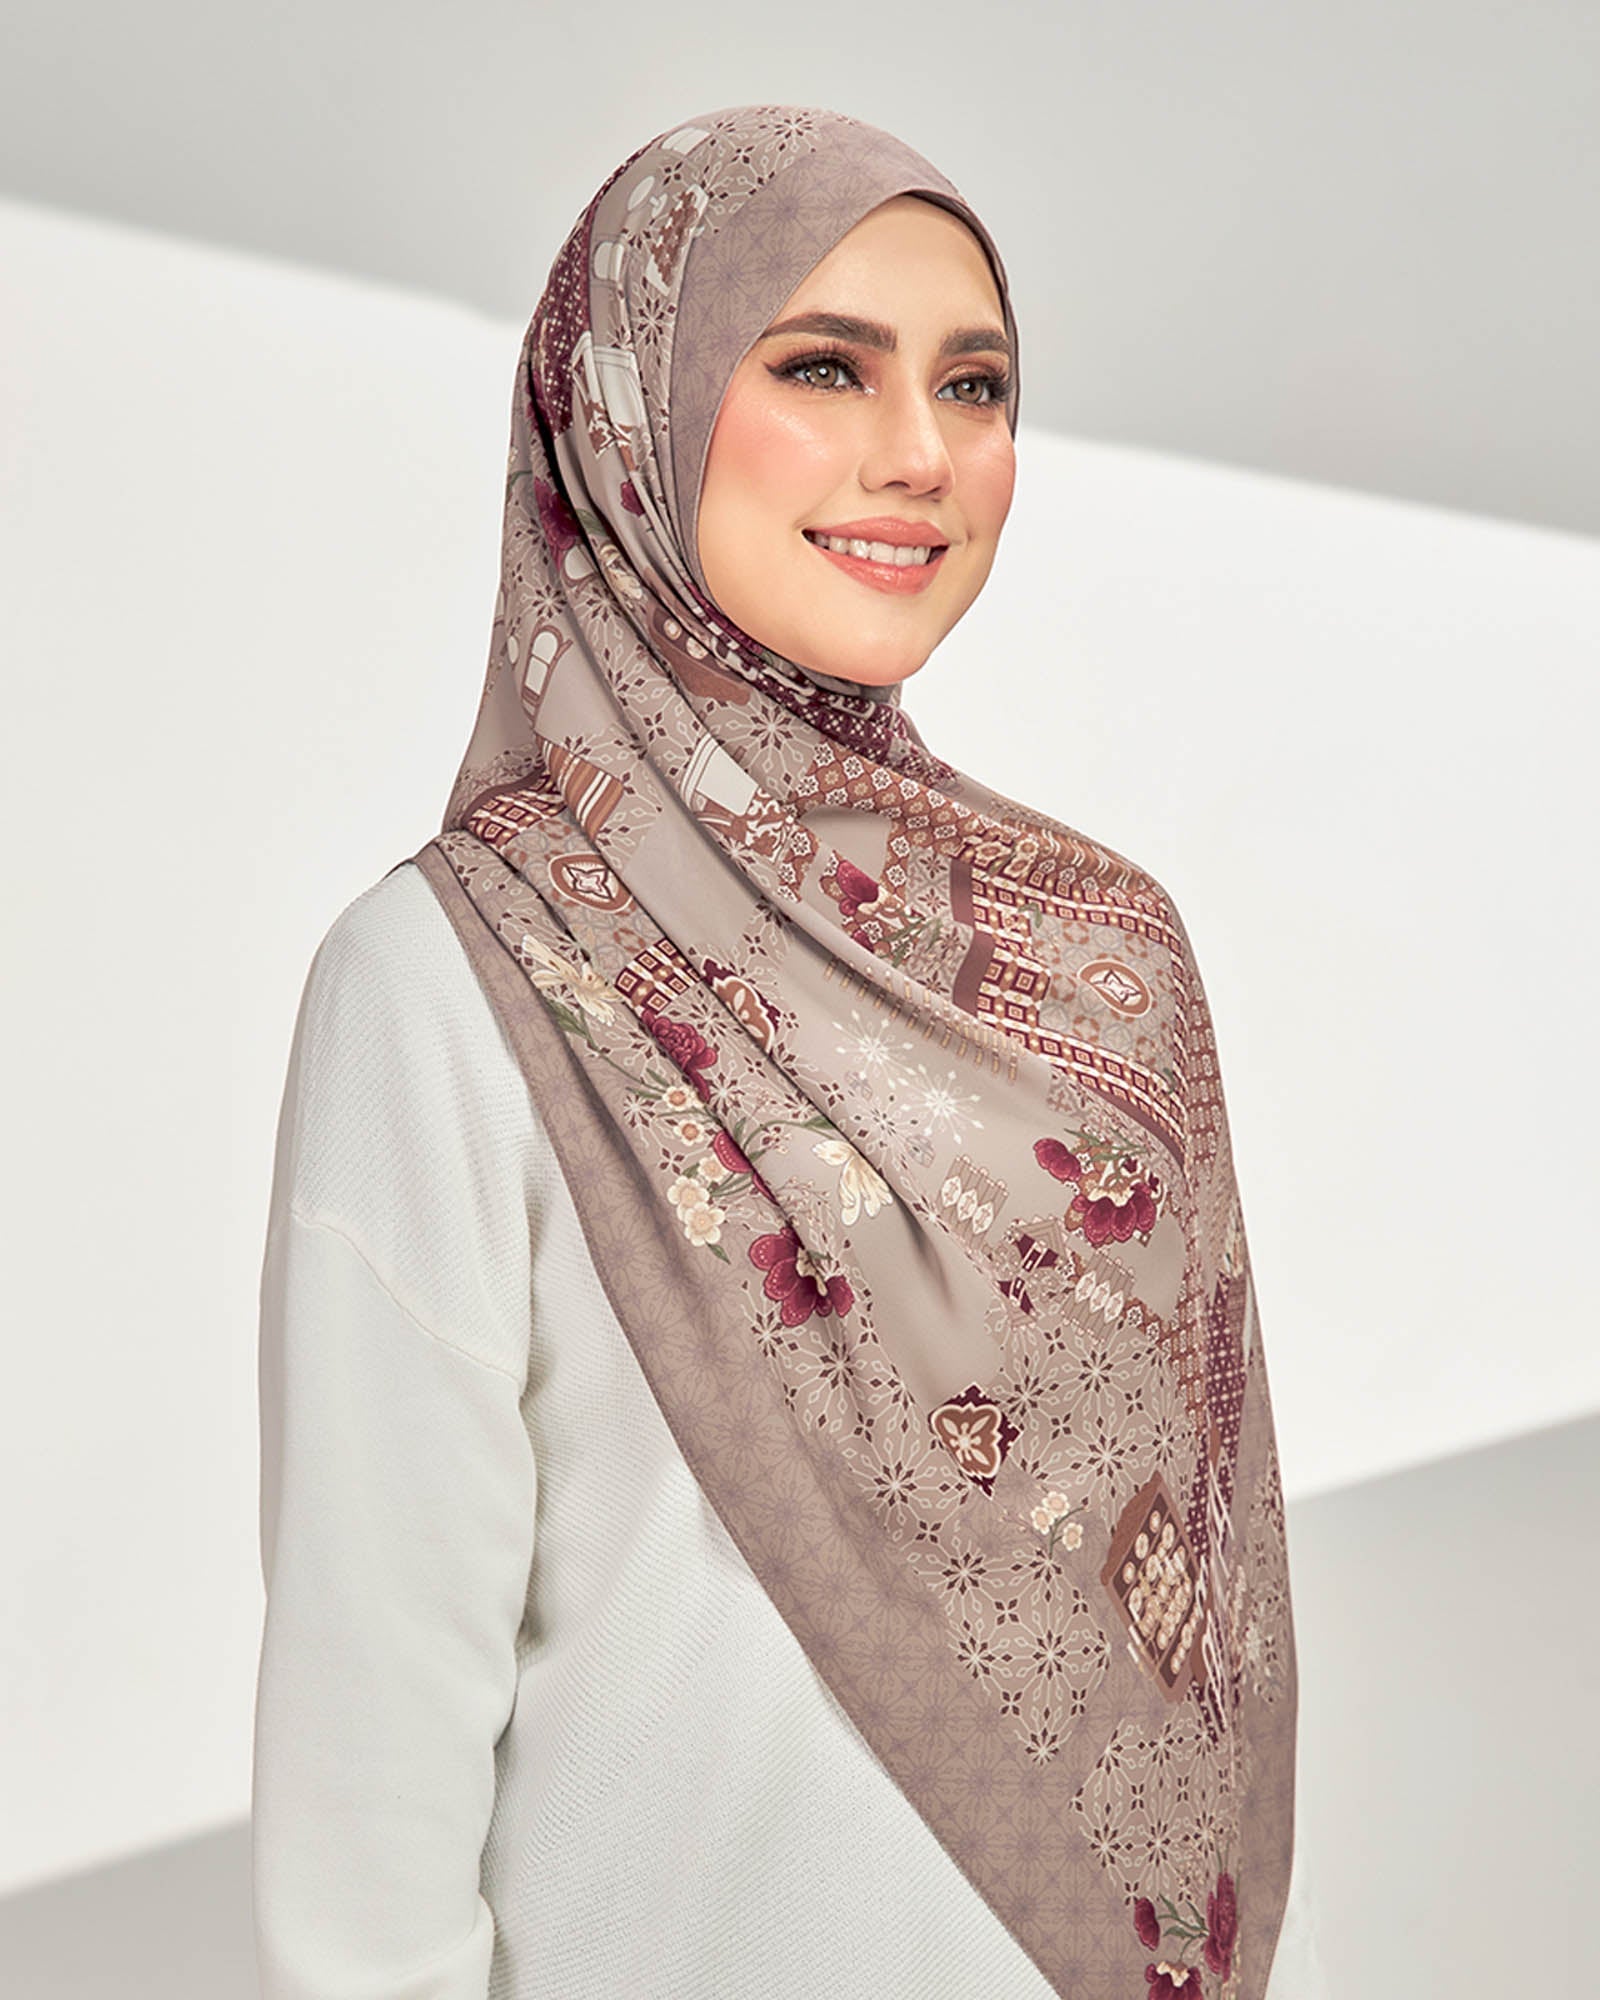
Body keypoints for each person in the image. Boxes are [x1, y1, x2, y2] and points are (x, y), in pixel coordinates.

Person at [252, 104, 1329, 1999]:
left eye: (974, 385)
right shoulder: (453, 978)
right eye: (824, 366)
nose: (920, 452)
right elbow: (374, 1771)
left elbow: (1204, 1663)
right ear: (631, 408)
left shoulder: (1107, 964)